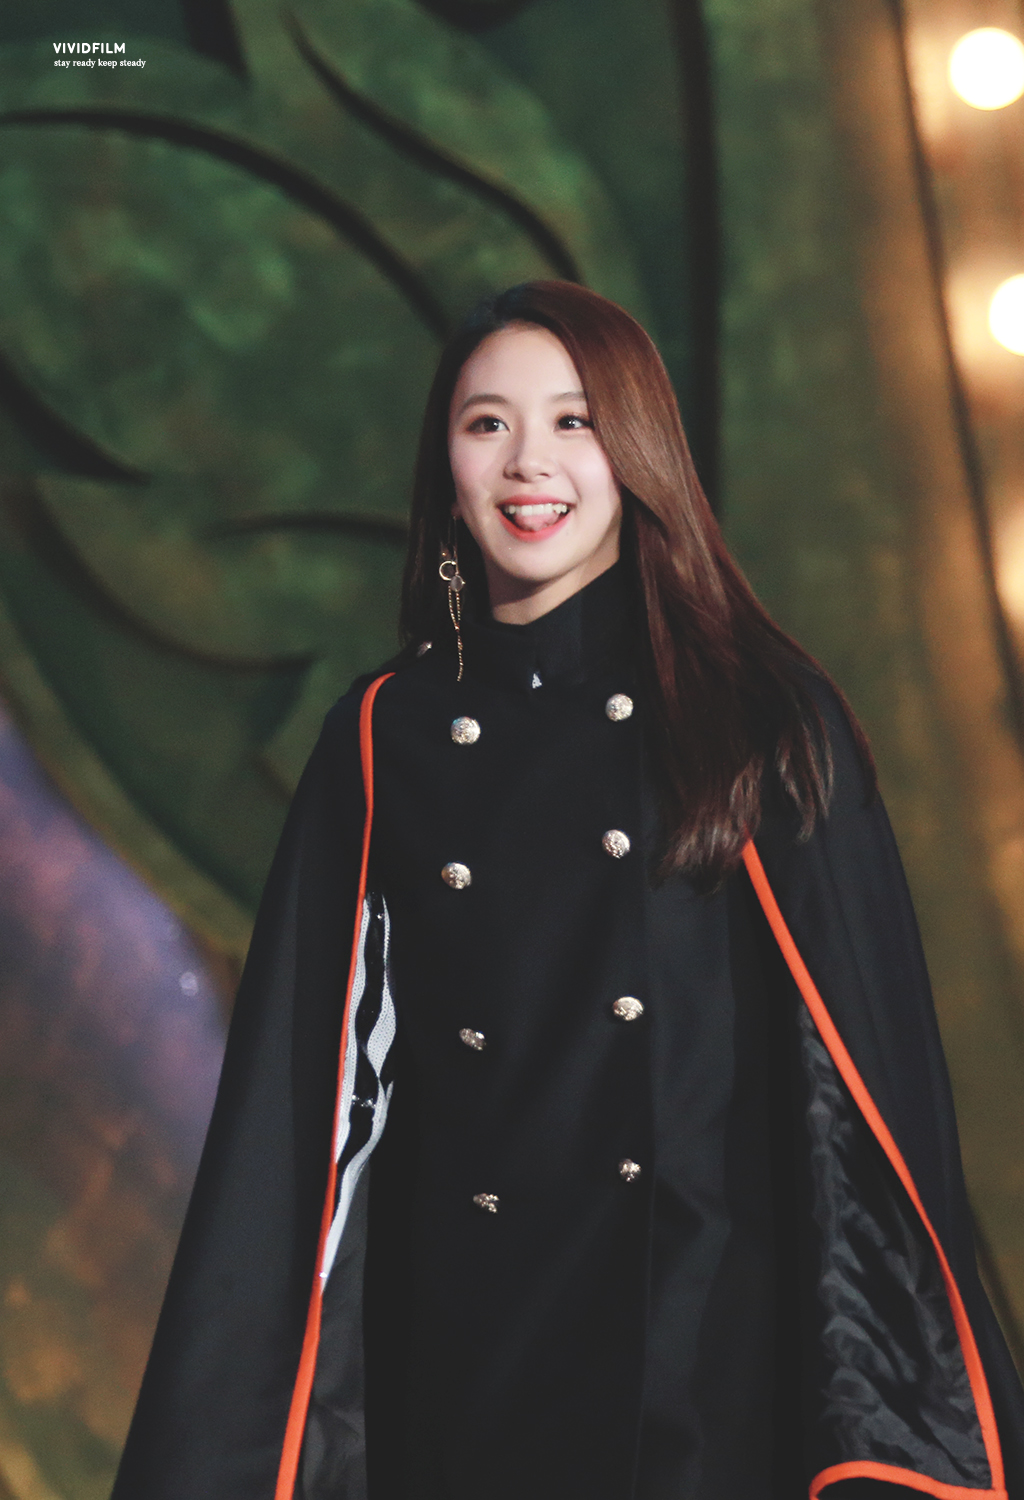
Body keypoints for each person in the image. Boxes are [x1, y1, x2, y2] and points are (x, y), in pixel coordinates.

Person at [111, 281, 1024, 1500]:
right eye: (486, 424)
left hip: (707, 1367)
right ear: (444, 465)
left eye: (574, 421)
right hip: (462, 1374)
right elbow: (307, 1119)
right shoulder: (382, 736)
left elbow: (858, 1108)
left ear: (637, 451)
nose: (527, 463)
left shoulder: (756, 719)